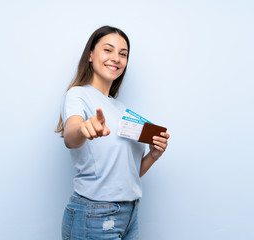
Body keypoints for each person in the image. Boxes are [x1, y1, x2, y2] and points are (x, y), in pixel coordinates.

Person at [56, 25, 170, 240]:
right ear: (90, 55)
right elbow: (71, 136)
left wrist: (153, 156)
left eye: (123, 53)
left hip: (129, 214)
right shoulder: (78, 95)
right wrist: (82, 129)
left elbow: (126, 175)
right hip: (95, 215)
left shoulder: (122, 110)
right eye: (108, 50)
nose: (116, 58)